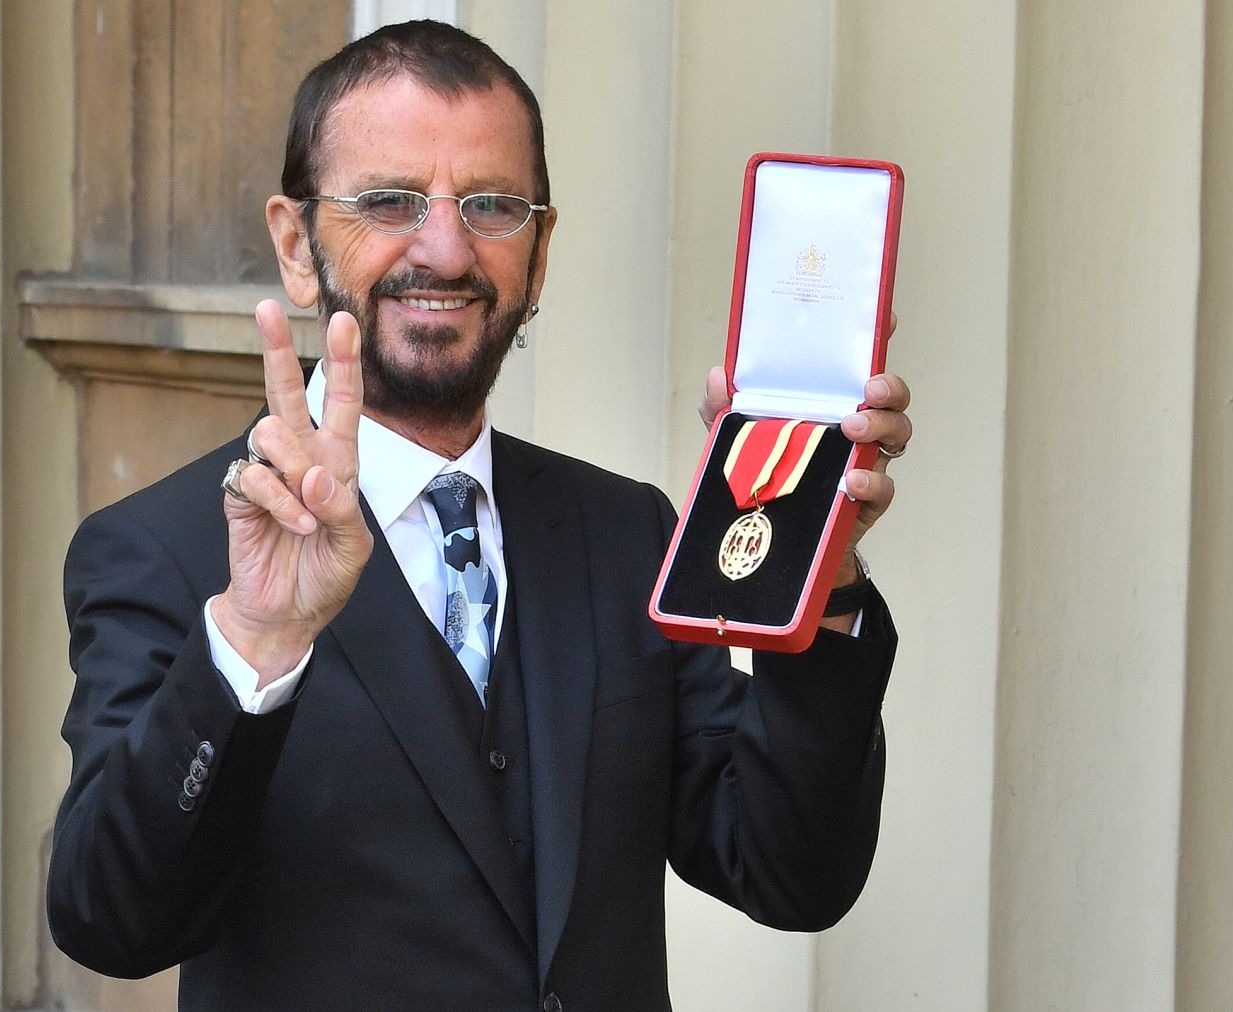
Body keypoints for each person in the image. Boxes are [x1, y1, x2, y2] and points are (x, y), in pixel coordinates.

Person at [48, 20, 912, 1010]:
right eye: (389, 201)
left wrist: (823, 571)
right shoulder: (161, 551)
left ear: (539, 253)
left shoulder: (628, 534)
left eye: (494, 205)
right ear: (296, 246)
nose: (447, 248)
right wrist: (253, 641)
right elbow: (110, 923)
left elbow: (789, 874)